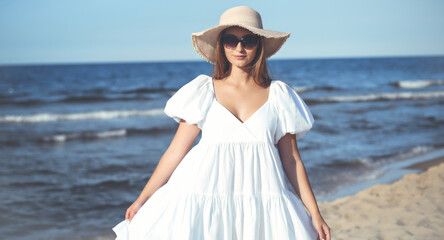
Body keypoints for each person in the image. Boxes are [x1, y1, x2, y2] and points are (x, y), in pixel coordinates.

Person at [113, 5, 330, 240]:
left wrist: (315, 213)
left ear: (259, 44)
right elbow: (176, 151)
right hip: (203, 196)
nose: (239, 47)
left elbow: (292, 160)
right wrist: (143, 198)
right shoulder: (203, 91)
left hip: (261, 199)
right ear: (221, 45)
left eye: (248, 40)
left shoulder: (279, 96)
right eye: (230, 40)